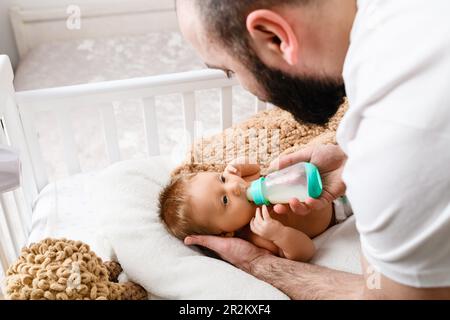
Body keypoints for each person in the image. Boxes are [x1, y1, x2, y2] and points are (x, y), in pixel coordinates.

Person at [176, 0, 450, 299]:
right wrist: (351, 160)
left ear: (274, 36)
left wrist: (257, 264)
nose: (242, 84)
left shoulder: (395, 142)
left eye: (229, 70)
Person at [159, 160, 350, 262]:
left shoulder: (247, 184)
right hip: (339, 211)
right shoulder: (258, 234)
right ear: (226, 233)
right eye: (225, 200)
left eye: (222, 180)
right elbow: (306, 252)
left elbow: (255, 169)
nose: (233, 187)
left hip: (329, 180)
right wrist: (279, 233)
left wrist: (239, 168)